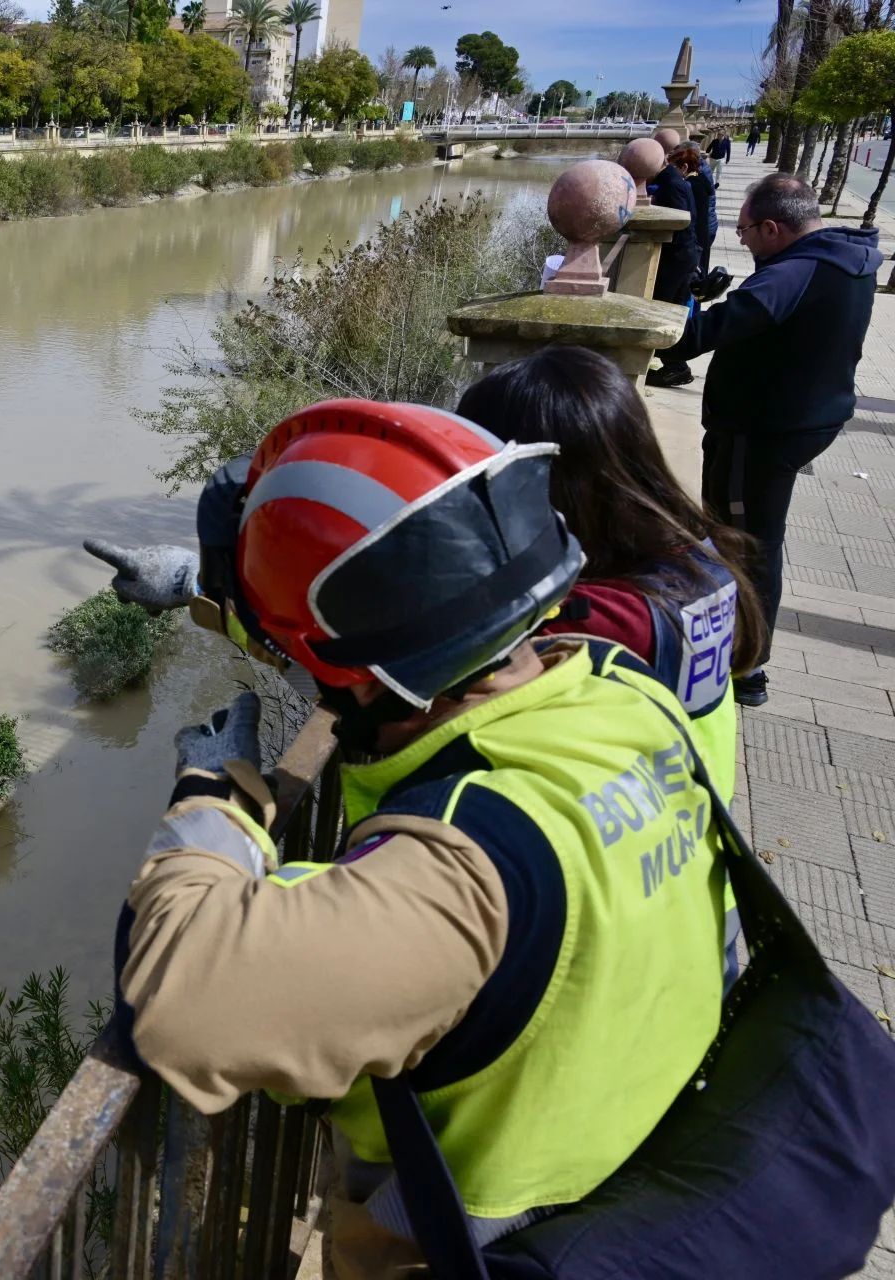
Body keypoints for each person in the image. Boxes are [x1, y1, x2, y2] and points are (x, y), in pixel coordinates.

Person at [99, 400, 728, 1277]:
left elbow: (176, 1002)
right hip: (658, 1156)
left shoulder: (464, 863)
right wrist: (198, 587)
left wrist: (215, 798)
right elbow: (379, 636)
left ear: (356, 675)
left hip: (488, 1241)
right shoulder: (619, 691)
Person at [456, 345, 766, 798]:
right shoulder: (697, 557)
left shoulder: (590, 623)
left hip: (615, 822)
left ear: (541, 483)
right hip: (689, 808)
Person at [651, 172, 881, 705]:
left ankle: (747, 667)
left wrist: (683, 307)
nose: (744, 239)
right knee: (743, 535)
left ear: (774, 228)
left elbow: (698, 336)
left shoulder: (792, 272)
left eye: (746, 230)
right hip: (807, 416)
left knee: (747, 543)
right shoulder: (846, 257)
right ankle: (734, 643)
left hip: (763, 429)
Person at [644, 141, 701, 385]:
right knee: (668, 309)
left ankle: (676, 366)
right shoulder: (674, 180)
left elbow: (681, 221)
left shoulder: (671, 182)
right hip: (682, 257)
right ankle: (673, 364)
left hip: (677, 259)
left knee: (663, 310)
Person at [676, 142, 719, 277]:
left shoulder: (692, 184)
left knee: (695, 272)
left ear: (685, 166)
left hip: (700, 232)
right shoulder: (701, 174)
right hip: (706, 228)